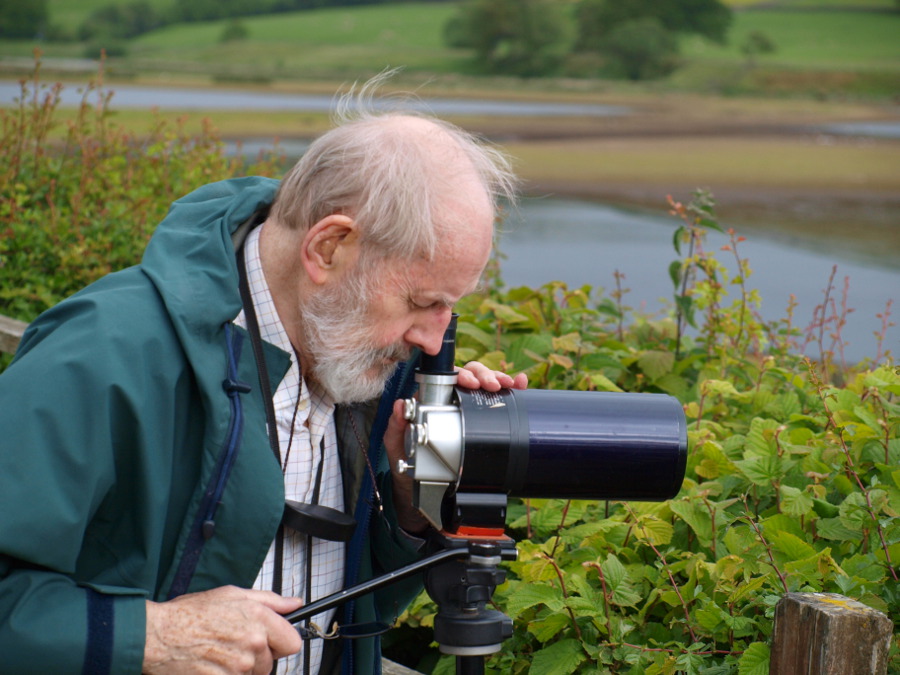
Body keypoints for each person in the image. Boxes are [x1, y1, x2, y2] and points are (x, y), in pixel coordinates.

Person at [0, 76, 527, 675]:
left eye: (448, 308)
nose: (434, 340)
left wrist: (410, 509)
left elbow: (351, 614)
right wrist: (153, 635)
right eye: (421, 301)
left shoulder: (358, 358)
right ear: (328, 247)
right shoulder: (102, 355)